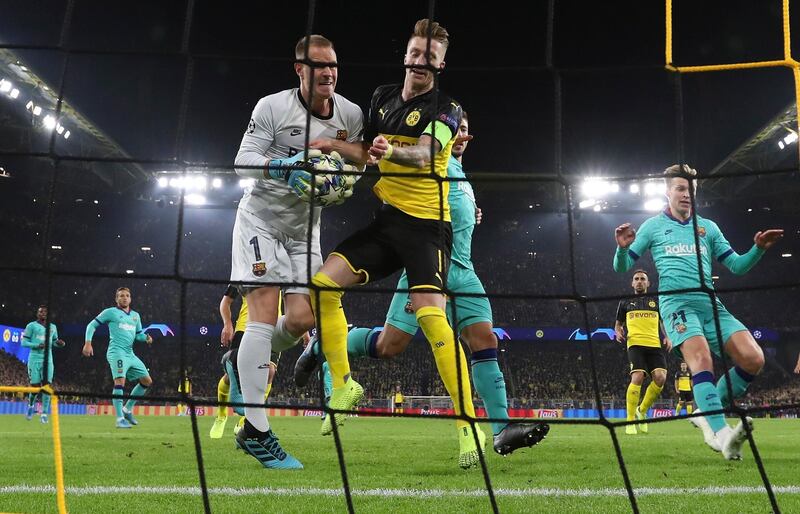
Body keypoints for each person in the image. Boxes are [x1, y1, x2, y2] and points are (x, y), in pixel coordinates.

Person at [298, 111, 548, 466]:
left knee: (484, 339)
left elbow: (457, 213)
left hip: (464, 270)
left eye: (463, 130)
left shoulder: (461, 174)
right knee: (389, 345)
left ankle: (501, 427)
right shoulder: (429, 163)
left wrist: (473, 214)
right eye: (453, 130)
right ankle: (327, 344)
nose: (458, 135)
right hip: (427, 267)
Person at [304, 19, 481, 465]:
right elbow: (367, 152)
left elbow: (422, 155)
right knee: (323, 285)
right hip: (388, 222)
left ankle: (468, 429)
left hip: (428, 228)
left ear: (441, 66)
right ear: (406, 56)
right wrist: (331, 144)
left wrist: (391, 152)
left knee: (431, 317)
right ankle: (345, 386)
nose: (422, 63)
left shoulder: (447, 109)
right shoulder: (382, 98)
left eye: (431, 58)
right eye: (416, 54)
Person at [230, 33, 363, 469]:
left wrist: (343, 184)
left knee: (305, 318)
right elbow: (242, 159)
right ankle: (256, 429)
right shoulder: (272, 107)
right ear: (299, 69)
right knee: (264, 312)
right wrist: (282, 166)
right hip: (262, 219)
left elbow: (359, 160)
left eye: (334, 65)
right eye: (319, 65)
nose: (328, 72)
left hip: (306, 230)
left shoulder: (351, 114)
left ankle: (244, 357)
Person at [613, 164, 783, 460]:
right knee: (701, 358)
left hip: (710, 304)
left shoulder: (708, 228)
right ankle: (721, 433)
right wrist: (622, 249)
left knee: (754, 358)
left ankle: (706, 411)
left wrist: (758, 249)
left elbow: (737, 266)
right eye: (680, 188)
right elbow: (622, 267)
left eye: (691, 189)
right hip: (677, 305)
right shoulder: (653, 227)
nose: (687, 194)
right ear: (667, 192)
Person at [210, 285, 279, 439]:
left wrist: (303, 332)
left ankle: (245, 421)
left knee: (269, 371)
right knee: (232, 375)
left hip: (273, 327)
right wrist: (227, 323)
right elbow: (225, 302)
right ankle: (221, 415)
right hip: (246, 327)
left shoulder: (280, 268)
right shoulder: (245, 269)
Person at [83, 287, 154, 429]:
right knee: (120, 382)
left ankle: (127, 410)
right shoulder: (110, 312)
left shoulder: (135, 316)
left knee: (147, 381)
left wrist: (145, 337)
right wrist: (88, 343)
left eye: (127, 295)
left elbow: (138, 334)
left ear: (130, 298)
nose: (124, 298)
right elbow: (91, 325)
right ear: (116, 299)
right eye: (121, 296)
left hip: (130, 353)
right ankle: (119, 419)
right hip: (116, 352)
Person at [614, 269, 670, 435]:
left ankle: (642, 410)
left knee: (660, 378)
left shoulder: (657, 301)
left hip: (654, 344)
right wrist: (617, 331)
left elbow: (663, 322)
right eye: (636, 279)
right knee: (637, 376)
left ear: (648, 283)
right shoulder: (625, 302)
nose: (639, 281)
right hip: (635, 344)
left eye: (642, 279)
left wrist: (668, 337)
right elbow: (618, 324)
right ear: (632, 283)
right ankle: (630, 420)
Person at [22, 305, 65, 423]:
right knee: (35, 387)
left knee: (46, 386)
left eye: (45, 312)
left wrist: (59, 343)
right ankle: (31, 406)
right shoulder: (31, 326)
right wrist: (36, 345)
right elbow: (24, 342)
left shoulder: (53, 327)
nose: (43, 313)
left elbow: (54, 342)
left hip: (48, 360)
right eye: (40, 312)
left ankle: (44, 414)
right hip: (34, 359)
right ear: (37, 314)